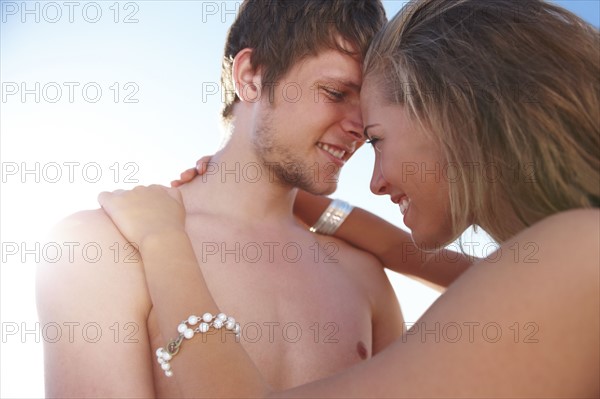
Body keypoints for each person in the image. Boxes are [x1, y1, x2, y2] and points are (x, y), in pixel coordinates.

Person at [97, 0, 599, 397]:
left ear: (456, 118)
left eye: (375, 135)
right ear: (249, 76)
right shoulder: (563, 256)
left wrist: (162, 238)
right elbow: (424, 259)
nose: (374, 178)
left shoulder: (577, 250)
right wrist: (307, 204)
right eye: (336, 94)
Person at [36, 1, 450, 397]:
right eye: (336, 92)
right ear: (250, 75)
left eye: (365, 104)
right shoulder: (101, 246)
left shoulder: (364, 277)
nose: (359, 127)